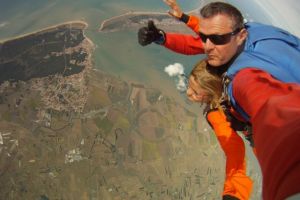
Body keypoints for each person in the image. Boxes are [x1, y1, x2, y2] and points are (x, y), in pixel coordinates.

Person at [138, 1, 300, 199]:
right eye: (205, 38)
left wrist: (235, 194)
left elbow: (238, 149)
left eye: (196, 92)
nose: (207, 46)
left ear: (240, 36)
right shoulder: (256, 32)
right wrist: (169, 31)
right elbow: (210, 37)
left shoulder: (240, 82)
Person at [187, 60, 253, 200]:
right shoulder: (215, 112)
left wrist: (235, 194)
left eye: (195, 92)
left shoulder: (215, 112)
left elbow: (235, 150)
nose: (188, 93)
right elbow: (234, 149)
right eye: (189, 86)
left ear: (211, 92)